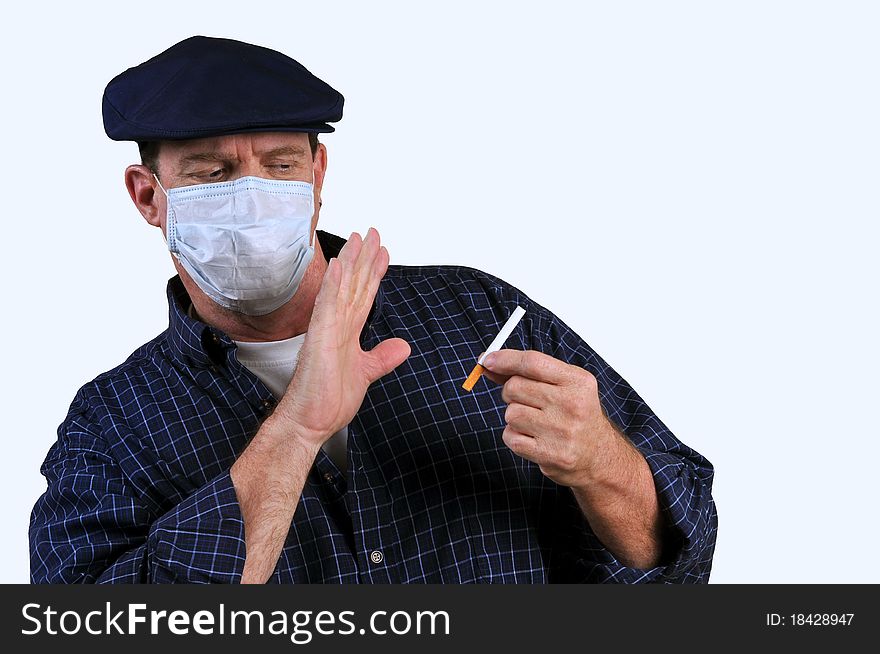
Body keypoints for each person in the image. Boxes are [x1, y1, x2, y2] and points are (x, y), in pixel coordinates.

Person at [30, 36, 717, 584]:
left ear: (319, 175)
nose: (254, 194)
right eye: (212, 173)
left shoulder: (477, 316)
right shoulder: (112, 429)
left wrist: (604, 466)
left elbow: (680, 555)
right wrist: (298, 426)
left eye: (279, 165)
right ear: (149, 196)